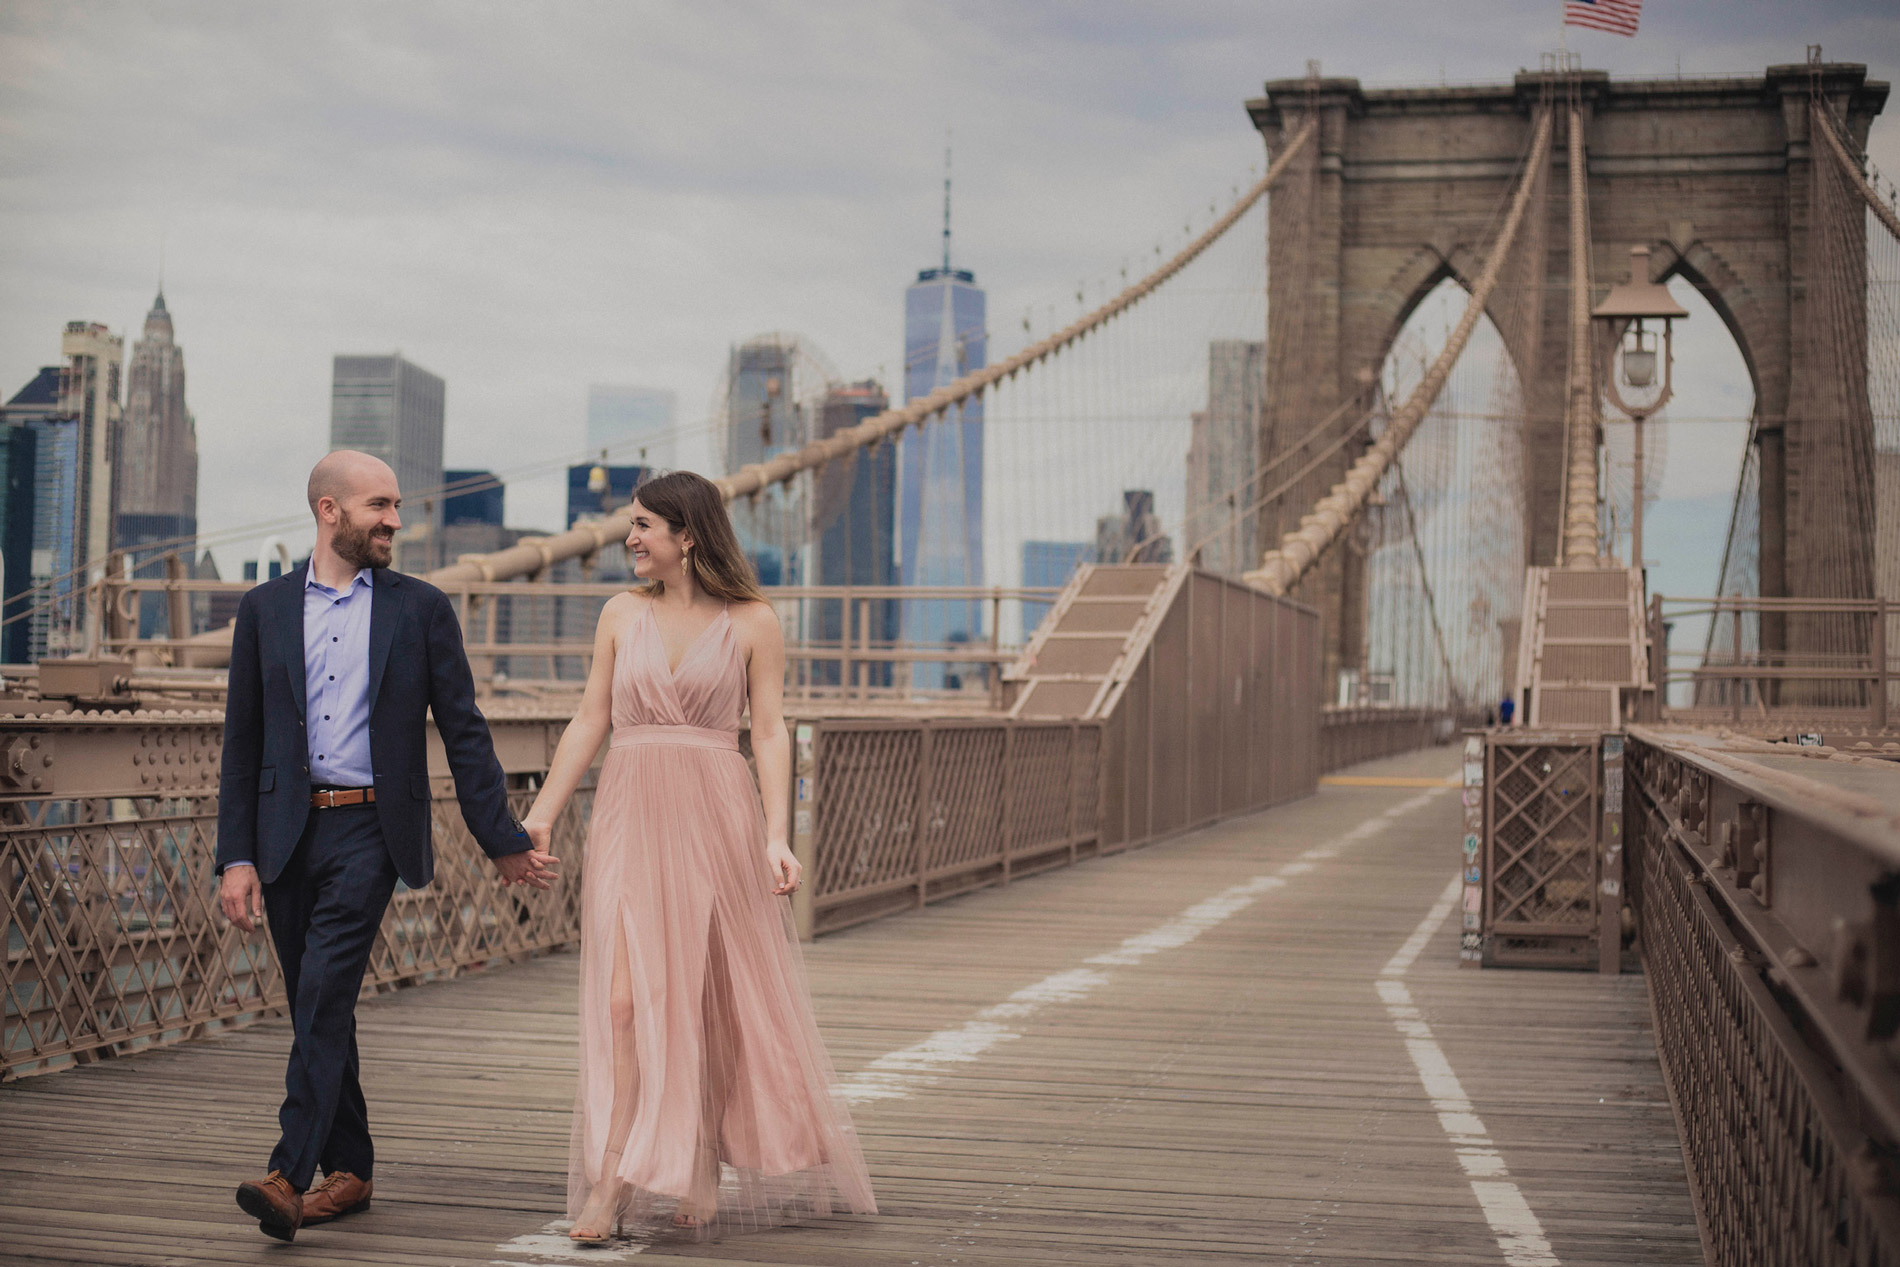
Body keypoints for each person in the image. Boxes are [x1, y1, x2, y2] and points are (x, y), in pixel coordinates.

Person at [521, 471, 876, 1242]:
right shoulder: (619, 613)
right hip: (631, 806)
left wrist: (776, 834)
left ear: (689, 534)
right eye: (630, 525)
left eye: (644, 524)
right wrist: (541, 815)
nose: (630, 538)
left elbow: (772, 731)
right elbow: (591, 718)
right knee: (624, 1001)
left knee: (711, 998)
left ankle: (707, 1155)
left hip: (717, 810)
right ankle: (612, 1179)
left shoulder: (753, 620)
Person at [215, 450, 558, 1242]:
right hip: (285, 833)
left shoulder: (421, 608)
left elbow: (464, 732)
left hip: (373, 825)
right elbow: (241, 745)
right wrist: (235, 856)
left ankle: (287, 1174)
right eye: (380, 505)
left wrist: (500, 837)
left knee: (323, 991)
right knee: (319, 1004)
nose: (395, 521)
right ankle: (354, 1167)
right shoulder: (263, 609)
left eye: (397, 505)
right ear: (329, 510)